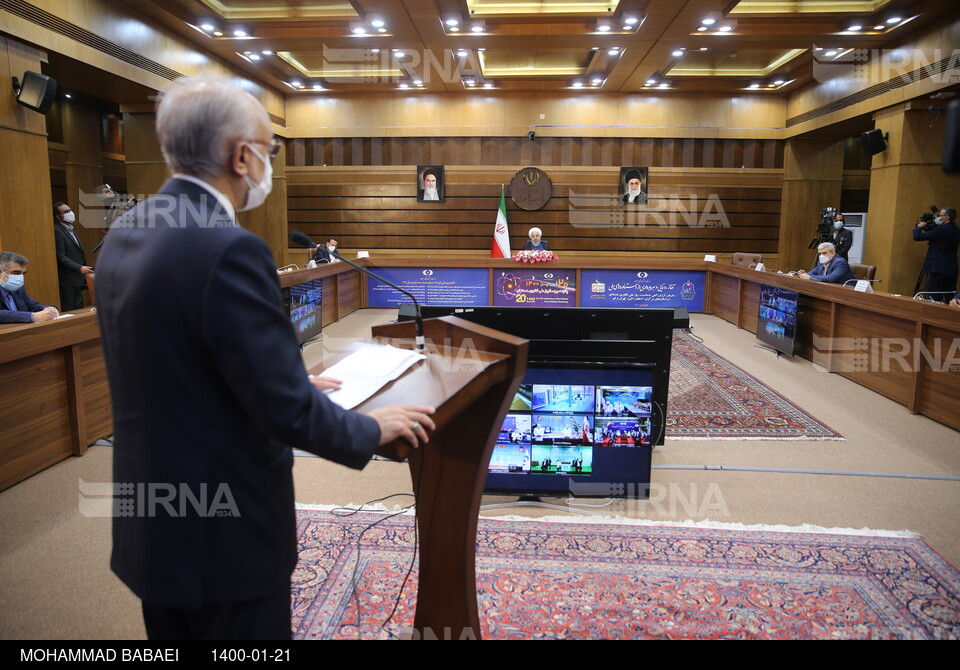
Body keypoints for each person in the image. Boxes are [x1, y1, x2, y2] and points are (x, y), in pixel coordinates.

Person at [95, 77, 435, 640]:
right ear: (240, 155)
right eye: (269, 151)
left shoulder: (129, 230)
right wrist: (366, 429)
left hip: (152, 526)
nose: (268, 166)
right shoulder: (230, 248)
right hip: (222, 539)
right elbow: (283, 412)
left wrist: (283, 375)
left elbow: (176, 362)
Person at [53, 201, 94, 311]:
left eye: (70, 210)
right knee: (70, 310)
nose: (70, 213)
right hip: (67, 279)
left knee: (78, 308)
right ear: (58, 216)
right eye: (66, 211)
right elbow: (60, 256)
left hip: (77, 278)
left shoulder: (70, 229)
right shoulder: (57, 230)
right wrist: (79, 267)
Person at [913, 207, 960, 301]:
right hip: (952, 268)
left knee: (934, 298)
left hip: (938, 268)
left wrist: (919, 227)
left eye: (939, 216)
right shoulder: (957, 230)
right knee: (951, 298)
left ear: (947, 217)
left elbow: (917, 237)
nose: (937, 218)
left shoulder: (941, 230)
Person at [0, 251, 59, 323]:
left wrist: (50, 309)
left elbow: (33, 306)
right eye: (16, 273)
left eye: (23, 273)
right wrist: (32, 316)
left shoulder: (18, 288)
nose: (20, 277)